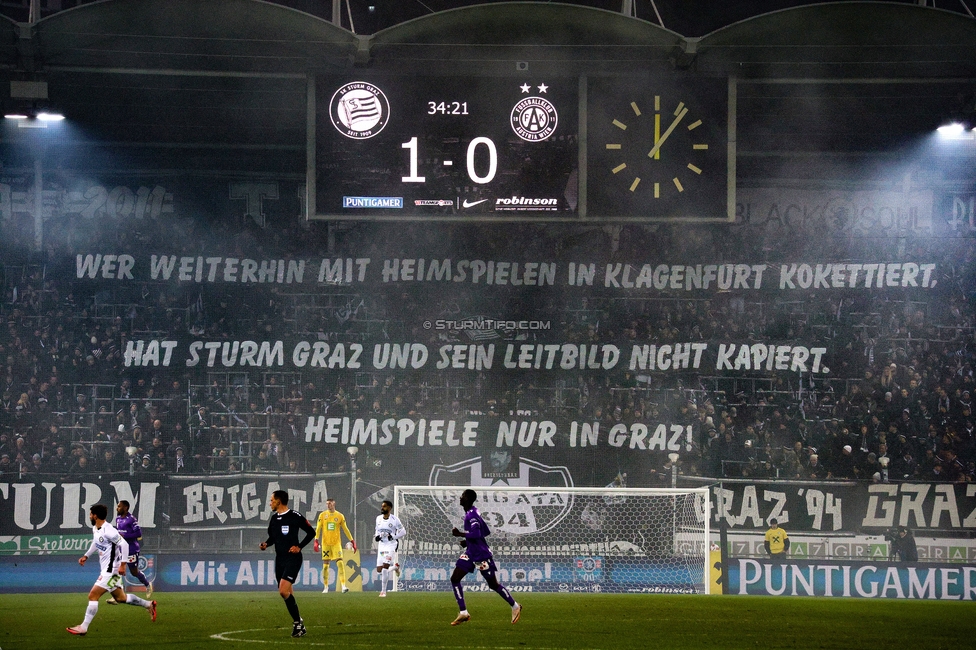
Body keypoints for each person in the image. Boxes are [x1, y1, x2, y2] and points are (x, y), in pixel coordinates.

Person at [66, 503, 157, 635]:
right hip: (108, 570)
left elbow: (124, 544)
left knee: (93, 595)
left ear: (95, 516)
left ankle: (84, 627)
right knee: (121, 598)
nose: (90, 516)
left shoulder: (109, 530)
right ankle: (149, 605)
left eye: (91, 514)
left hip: (111, 570)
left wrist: (123, 565)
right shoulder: (96, 528)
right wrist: (86, 555)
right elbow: (95, 542)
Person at [449, 489, 521, 626]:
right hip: (471, 553)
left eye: (463, 496)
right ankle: (463, 612)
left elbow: (477, 533)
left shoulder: (472, 515)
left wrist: (460, 534)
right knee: (455, 578)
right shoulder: (472, 512)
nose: (460, 498)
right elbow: (484, 531)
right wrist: (468, 542)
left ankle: (515, 606)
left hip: (481, 555)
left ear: (468, 499)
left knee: (493, 585)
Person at [259, 489, 315, 638]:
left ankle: (298, 623)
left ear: (278, 501)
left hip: (293, 558)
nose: (270, 503)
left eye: (271, 500)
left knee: (283, 591)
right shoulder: (273, 519)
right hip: (280, 559)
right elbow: (272, 538)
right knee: (287, 593)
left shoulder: (294, 516)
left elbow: (311, 532)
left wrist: (299, 547)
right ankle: (299, 625)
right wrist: (266, 544)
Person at [108, 500, 153, 601]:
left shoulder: (131, 519)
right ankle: (117, 596)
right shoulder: (118, 519)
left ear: (125, 508)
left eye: (119, 506)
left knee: (134, 572)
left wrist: (125, 536)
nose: (117, 508)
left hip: (132, 549)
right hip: (120, 550)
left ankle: (147, 584)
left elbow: (138, 534)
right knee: (117, 571)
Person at [314, 497, 356, 593]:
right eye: (327, 503)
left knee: (340, 563)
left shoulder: (340, 516)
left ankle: (343, 586)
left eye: (330, 503)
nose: (328, 505)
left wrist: (352, 541)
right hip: (326, 544)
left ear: (334, 503)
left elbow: (345, 529)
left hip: (336, 544)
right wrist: (316, 540)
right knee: (325, 566)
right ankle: (326, 587)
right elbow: (318, 528)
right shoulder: (322, 515)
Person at [373, 499, 406, 597]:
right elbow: (377, 530)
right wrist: (377, 536)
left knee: (385, 568)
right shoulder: (378, 518)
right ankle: (395, 567)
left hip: (391, 545)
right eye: (382, 506)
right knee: (379, 570)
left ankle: (383, 591)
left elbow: (403, 531)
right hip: (382, 545)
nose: (382, 508)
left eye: (384, 506)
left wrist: (394, 537)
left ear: (389, 508)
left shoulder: (395, 520)